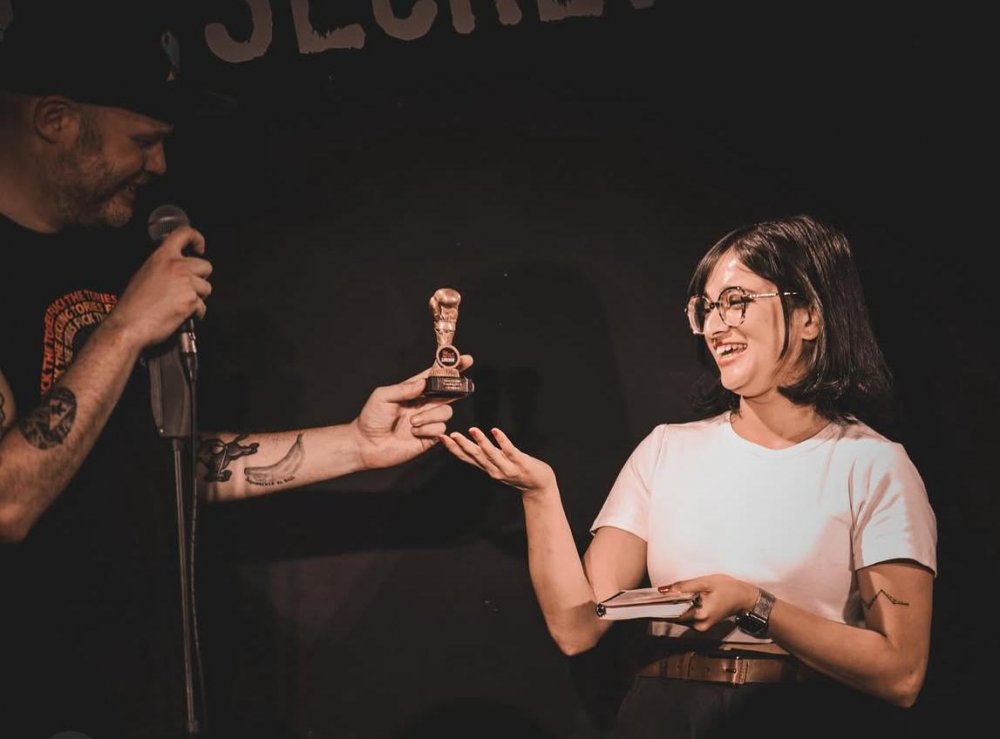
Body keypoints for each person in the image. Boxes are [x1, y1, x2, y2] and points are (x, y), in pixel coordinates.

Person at [0, 3, 471, 737]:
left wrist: (357, 443)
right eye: (143, 140)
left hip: (137, 689)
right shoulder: (124, 297)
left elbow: (164, 466)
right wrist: (126, 327)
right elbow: (7, 502)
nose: (160, 166)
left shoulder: (111, 255)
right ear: (56, 119)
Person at [441, 214, 937, 737]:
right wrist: (539, 493)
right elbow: (577, 626)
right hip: (662, 714)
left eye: (736, 301)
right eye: (706, 308)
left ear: (809, 314)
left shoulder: (871, 464)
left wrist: (755, 604)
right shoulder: (667, 450)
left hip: (792, 714)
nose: (717, 326)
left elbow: (901, 673)